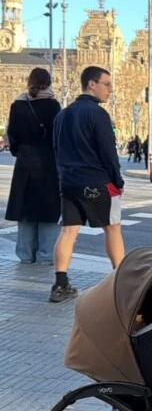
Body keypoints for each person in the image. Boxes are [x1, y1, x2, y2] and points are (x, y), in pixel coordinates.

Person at [50, 66, 125, 303]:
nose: (110, 90)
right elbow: (108, 152)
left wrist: (63, 177)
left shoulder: (62, 115)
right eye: (107, 84)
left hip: (69, 182)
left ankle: (60, 284)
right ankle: (119, 284)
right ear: (92, 84)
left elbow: (56, 150)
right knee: (112, 228)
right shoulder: (98, 115)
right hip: (97, 181)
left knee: (68, 231)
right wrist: (117, 180)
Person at [5, 68, 61, 264]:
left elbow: (11, 137)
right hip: (48, 165)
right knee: (48, 211)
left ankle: (26, 256)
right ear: (49, 83)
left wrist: (21, 152)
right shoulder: (53, 105)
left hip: (25, 164)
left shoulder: (18, 105)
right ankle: (46, 256)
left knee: (25, 211)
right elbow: (58, 137)